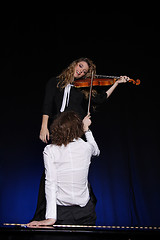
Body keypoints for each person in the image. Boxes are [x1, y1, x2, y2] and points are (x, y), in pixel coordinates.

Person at [31, 57, 129, 221]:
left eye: (85, 71)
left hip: (78, 130)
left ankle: (84, 209)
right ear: (74, 64)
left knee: (78, 169)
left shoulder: (83, 88)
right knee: (52, 171)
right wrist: (44, 126)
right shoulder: (54, 82)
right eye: (80, 67)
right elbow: (47, 105)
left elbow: (101, 98)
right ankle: (46, 214)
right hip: (60, 129)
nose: (81, 71)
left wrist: (116, 83)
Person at [27, 111, 100, 226]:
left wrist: (51, 218)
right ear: (77, 129)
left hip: (62, 213)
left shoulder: (50, 150)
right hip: (86, 213)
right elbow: (96, 151)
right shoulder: (86, 148)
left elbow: (51, 183)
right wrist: (86, 129)